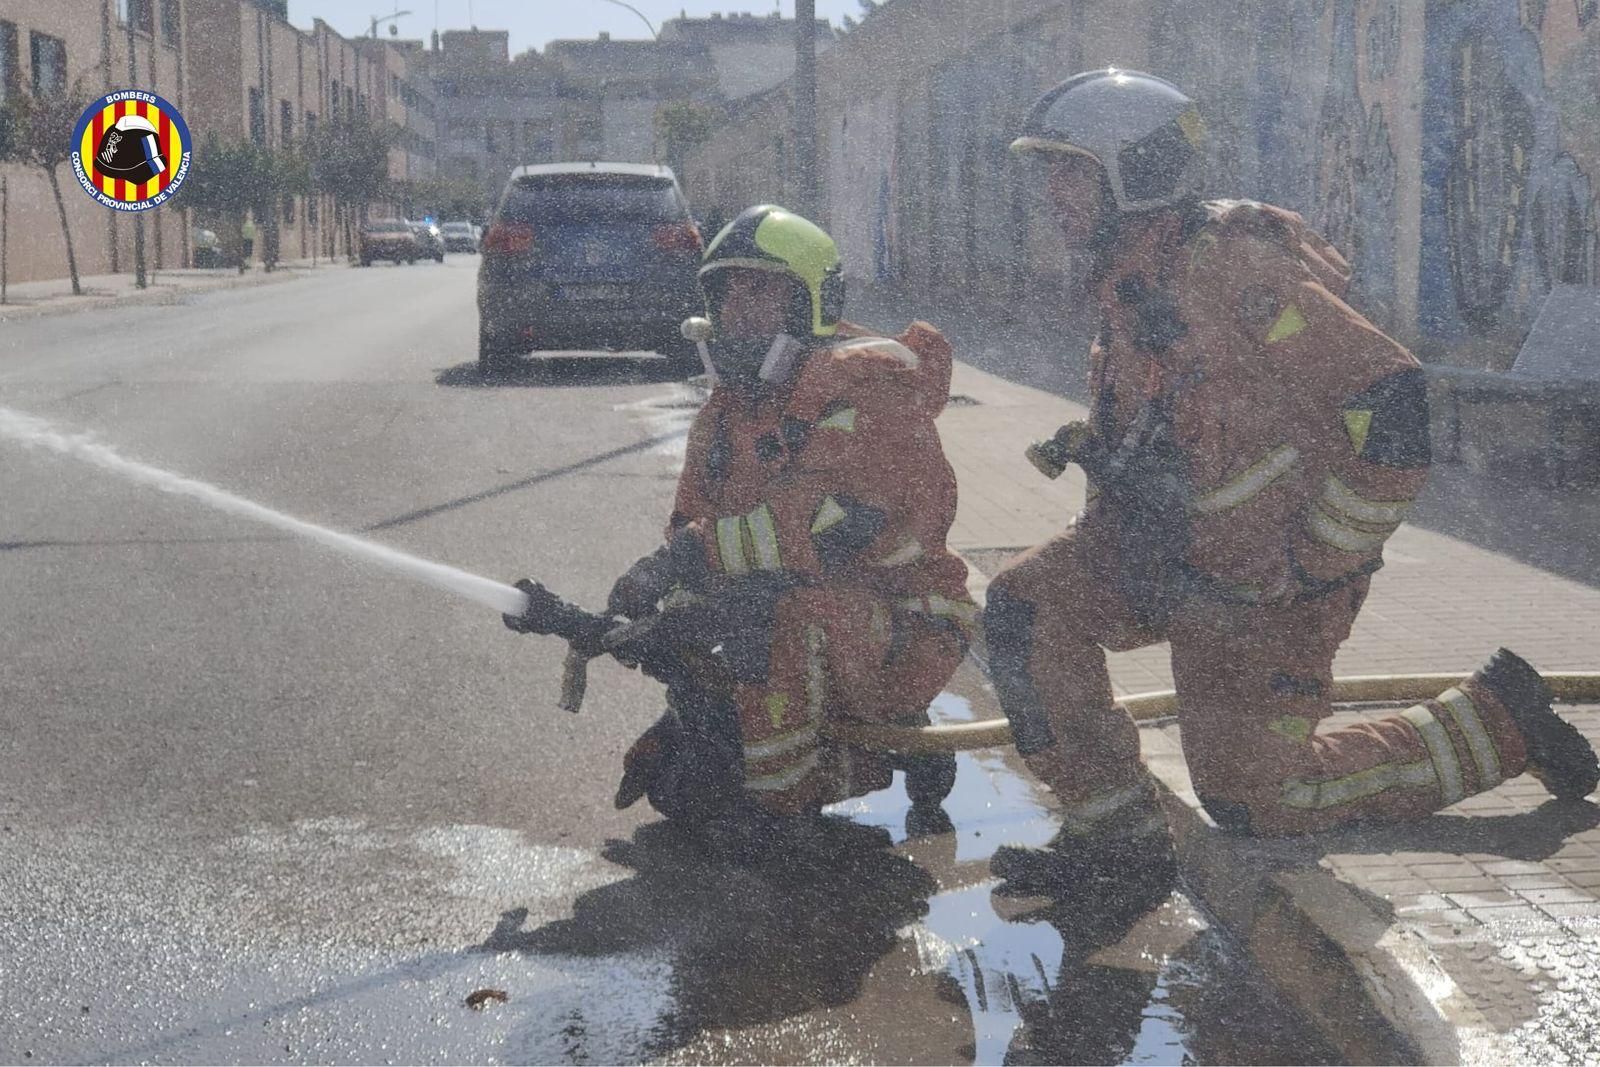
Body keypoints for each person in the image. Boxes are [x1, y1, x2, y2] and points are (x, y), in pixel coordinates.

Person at [983, 69, 1599, 898]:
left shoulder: (1238, 272)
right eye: (1048, 172)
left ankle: (1499, 721)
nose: (1052, 193)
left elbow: (1394, 403)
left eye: (1071, 171)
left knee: (1259, 797)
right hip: (1167, 558)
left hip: (1263, 591)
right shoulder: (1126, 276)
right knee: (1026, 609)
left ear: (1138, 171)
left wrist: (1315, 560)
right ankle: (1119, 838)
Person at [605, 203, 977, 819]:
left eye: (761, 292)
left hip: (905, 618)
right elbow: (692, 526)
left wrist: (674, 564)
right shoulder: (724, 416)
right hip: (803, 608)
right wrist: (666, 616)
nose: (738, 311)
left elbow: (806, 531)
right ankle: (796, 748)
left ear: (810, 304)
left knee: (770, 617)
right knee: (681, 783)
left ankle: (788, 809)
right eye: (727, 294)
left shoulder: (867, 394)